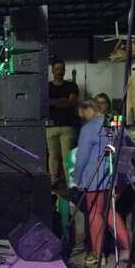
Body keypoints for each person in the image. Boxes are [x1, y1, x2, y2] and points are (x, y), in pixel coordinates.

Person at [74, 100, 131, 265]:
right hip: (116, 177)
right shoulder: (114, 120)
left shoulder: (88, 128)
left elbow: (82, 157)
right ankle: (128, 247)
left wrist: (77, 178)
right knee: (109, 212)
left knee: (95, 213)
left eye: (83, 115)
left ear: (88, 109)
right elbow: (129, 144)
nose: (84, 119)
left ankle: (97, 255)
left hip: (95, 177)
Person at [47, 59, 79, 187]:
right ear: (52, 70)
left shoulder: (71, 86)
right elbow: (45, 103)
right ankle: (53, 180)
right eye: (57, 69)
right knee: (53, 155)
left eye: (61, 69)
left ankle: (70, 183)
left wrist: (53, 102)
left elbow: (72, 102)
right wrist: (63, 100)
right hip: (50, 127)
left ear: (64, 70)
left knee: (68, 156)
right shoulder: (47, 86)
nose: (59, 72)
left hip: (67, 126)